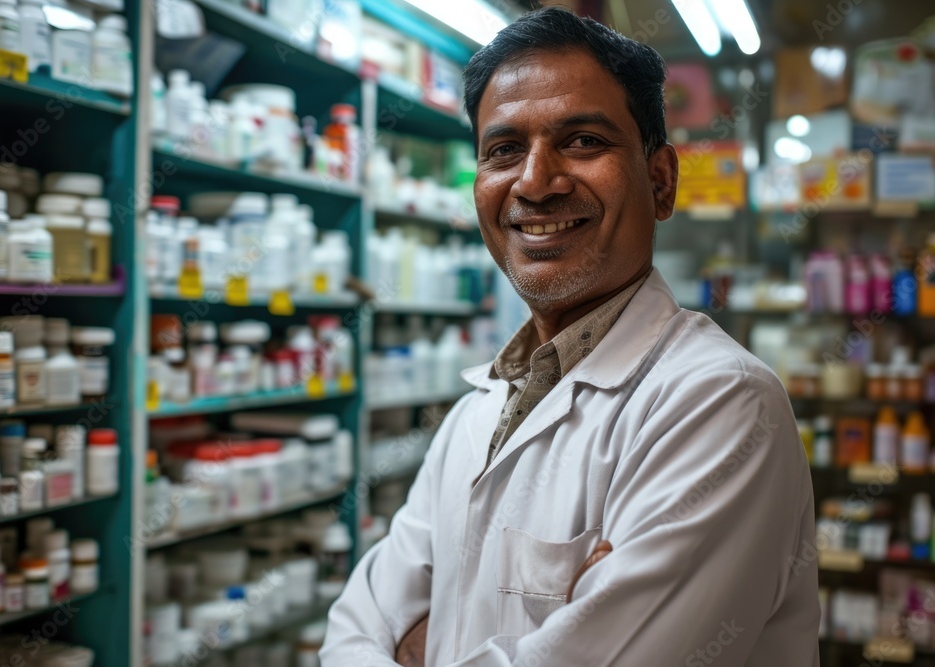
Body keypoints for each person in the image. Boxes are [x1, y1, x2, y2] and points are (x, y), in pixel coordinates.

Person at [321, 7, 819, 666]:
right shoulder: (479, 411)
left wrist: (429, 645)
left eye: (583, 140)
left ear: (660, 180)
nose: (534, 182)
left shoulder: (720, 404)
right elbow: (352, 631)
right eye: (503, 149)